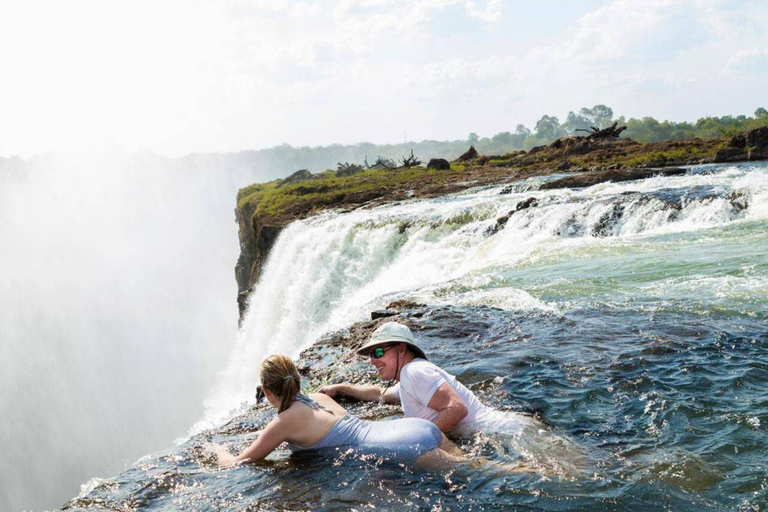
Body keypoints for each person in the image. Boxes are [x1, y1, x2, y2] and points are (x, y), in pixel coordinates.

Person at [206, 354, 478, 471]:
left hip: (401, 447)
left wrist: (216, 450)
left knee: (476, 477)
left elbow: (239, 463)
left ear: (266, 391)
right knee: (488, 470)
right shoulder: (317, 397)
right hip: (415, 428)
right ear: (297, 380)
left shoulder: (282, 422)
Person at [319, 321, 498, 434]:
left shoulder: (413, 372)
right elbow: (380, 393)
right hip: (495, 432)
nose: (373, 361)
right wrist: (342, 388)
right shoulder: (409, 378)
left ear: (402, 349)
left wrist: (419, 438)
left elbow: (457, 408)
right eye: (370, 355)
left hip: (498, 434)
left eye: (378, 352)